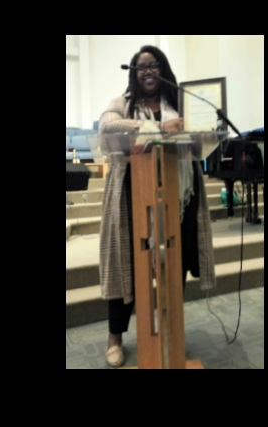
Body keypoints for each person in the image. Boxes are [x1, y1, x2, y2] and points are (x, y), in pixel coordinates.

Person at [98, 45, 216, 368]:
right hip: (132, 195)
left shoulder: (179, 103)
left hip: (179, 195)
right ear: (134, 73)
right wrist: (158, 128)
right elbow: (106, 127)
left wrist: (199, 129)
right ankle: (114, 338)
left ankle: (169, 332)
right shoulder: (122, 103)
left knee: (174, 262)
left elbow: (201, 134)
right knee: (127, 263)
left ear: (163, 69)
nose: (147, 71)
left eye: (153, 65)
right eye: (141, 66)